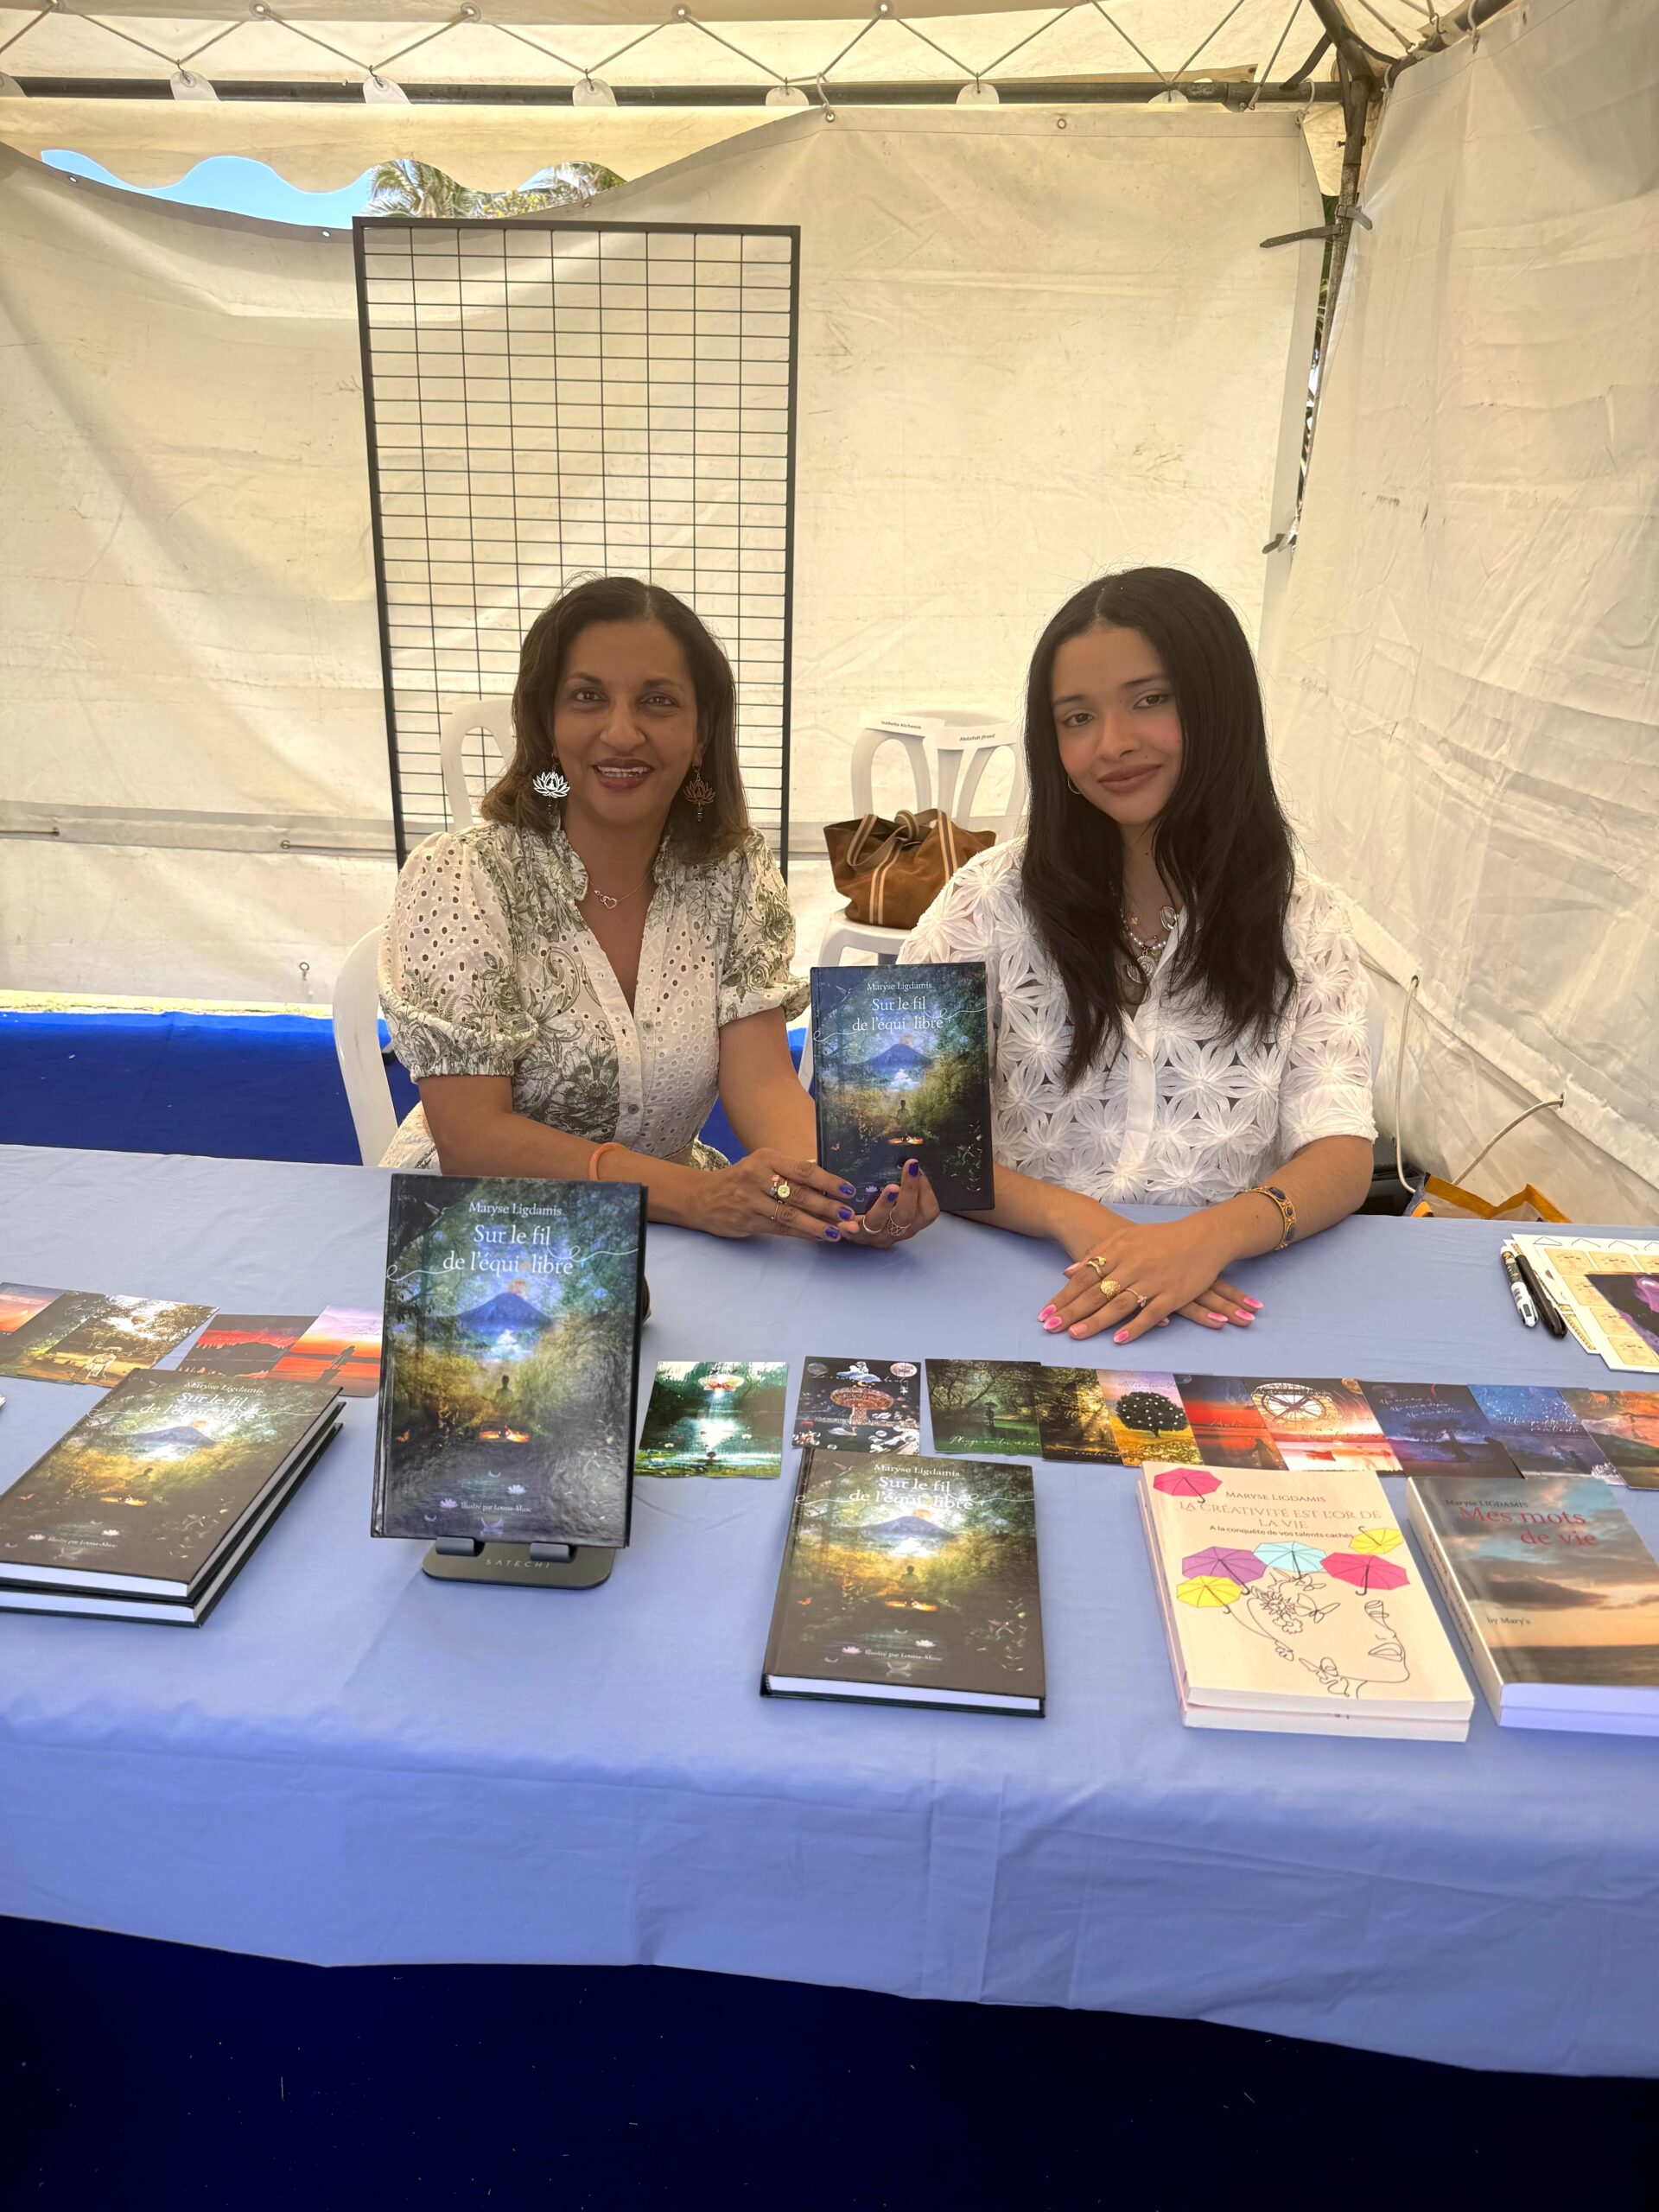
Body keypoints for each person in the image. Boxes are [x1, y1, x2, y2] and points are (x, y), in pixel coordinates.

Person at [380, 575, 937, 1248]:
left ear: (702, 734)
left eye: (658, 701)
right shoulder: (463, 876)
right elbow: (472, 1139)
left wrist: (840, 1197)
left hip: (678, 1224)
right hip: (488, 1231)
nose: (621, 732)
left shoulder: (733, 873)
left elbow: (763, 1083)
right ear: (548, 726)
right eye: (587, 697)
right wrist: (691, 1195)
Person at [900, 567, 1375, 1343]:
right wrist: (1069, 1214)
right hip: (1015, 1285)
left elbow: (1341, 1149)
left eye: (1150, 700)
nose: (1113, 744)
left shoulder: (1305, 917)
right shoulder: (986, 903)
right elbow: (909, 1131)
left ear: (1218, 705)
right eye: (1077, 717)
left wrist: (1211, 1236)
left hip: (1228, 1296)